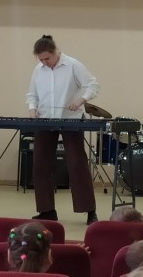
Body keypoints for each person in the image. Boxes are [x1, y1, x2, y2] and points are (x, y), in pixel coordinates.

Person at [25, 35, 100, 225]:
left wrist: (80, 100)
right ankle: (47, 211)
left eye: (47, 58)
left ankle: (90, 211)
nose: (44, 62)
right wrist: (32, 109)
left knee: (76, 163)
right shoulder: (38, 70)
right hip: (45, 121)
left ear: (54, 52)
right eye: (41, 59)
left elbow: (93, 84)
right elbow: (32, 94)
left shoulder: (72, 65)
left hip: (71, 120)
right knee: (40, 164)